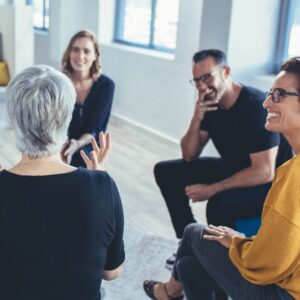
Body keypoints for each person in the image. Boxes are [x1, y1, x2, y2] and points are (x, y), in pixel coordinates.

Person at [143, 56, 300, 300]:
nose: (267, 102)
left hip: (283, 292)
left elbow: (268, 265)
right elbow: (189, 154)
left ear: (225, 71)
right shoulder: (210, 105)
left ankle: (170, 289)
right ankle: (191, 258)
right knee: (188, 268)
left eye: (278, 95)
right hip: (281, 274)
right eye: (196, 81)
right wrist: (197, 115)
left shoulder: (293, 175)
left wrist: (239, 243)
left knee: (195, 232)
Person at [0, 65, 124, 300]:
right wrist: (98, 184)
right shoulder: (103, 187)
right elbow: (112, 271)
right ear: (67, 116)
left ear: (11, 117)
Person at [61, 30, 115, 167]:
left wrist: (76, 144)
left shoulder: (106, 86)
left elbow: (95, 128)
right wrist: (64, 143)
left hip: (89, 142)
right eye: (76, 50)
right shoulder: (59, 81)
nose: (80, 56)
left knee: (82, 158)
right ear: (69, 53)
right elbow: (55, 120)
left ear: (95, 55)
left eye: (86, 51)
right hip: (62, 139)